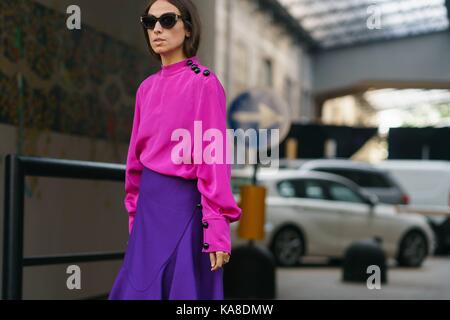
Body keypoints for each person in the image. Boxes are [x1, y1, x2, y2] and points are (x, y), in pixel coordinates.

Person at [108, 0, 242, 300]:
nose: (157, 29)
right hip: (148, 213)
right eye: (150, 22)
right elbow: (135, 161)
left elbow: (214, 161)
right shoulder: (146, 88)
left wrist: (217, 231)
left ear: (188, 27)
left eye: (167, 20)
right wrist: (134, 215)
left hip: (184, 210)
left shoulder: (203, 84)